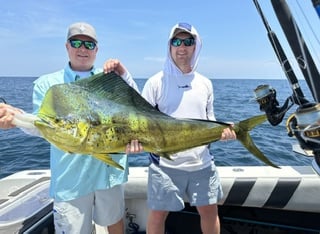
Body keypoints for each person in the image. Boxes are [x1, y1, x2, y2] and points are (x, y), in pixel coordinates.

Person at [0, 22, 142, 234]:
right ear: (67, 46)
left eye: (89, 44)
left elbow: (134, 111)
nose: (82, 49)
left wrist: (125, 75)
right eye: (76, 42)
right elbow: (42, 126)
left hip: (109, 171)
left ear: (97, 49)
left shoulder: (108, 80)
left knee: (115, 222)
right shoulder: (47, 84)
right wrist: (16, 119)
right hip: (71, 178)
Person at [141, 22, 236, 234]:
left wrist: (222, 131)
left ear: (196, 45)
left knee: (210, 212)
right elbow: (141, 123)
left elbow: (209, 120)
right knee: (157, 215)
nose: (182, 47)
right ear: (169, 46)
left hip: (201, 164)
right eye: (176, 41)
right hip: (165, 165)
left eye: (187, 41)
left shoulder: (205, 83)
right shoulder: (155, 82)